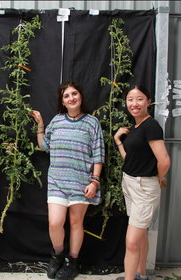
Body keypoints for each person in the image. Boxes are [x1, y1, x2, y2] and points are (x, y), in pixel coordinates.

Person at [31, 81, 105, 280]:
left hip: (82, 183)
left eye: (74, 94)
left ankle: (72, 262)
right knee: (55, 223)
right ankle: (57, 255)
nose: (71, 98)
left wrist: (94, 182)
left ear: (80, 96)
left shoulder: (92, 123)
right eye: (66, 96)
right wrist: (40, 126)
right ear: (62, 102)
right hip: (57, 181)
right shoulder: (56, 121)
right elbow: (44, 146)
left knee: (75, 223)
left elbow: (98, 155)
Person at [114, 85, 171, 280]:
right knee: (141, 232)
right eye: (130, 99)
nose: (134, 103)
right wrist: (118, 141)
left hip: (143, 187)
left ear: (148, 101)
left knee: (131, 241)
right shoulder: (137, 126)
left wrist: (158, 176)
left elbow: (164, 161)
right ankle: (141, 273)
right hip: (130, 183)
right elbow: (131, 159)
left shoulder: (151, 125)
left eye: (139, 99)